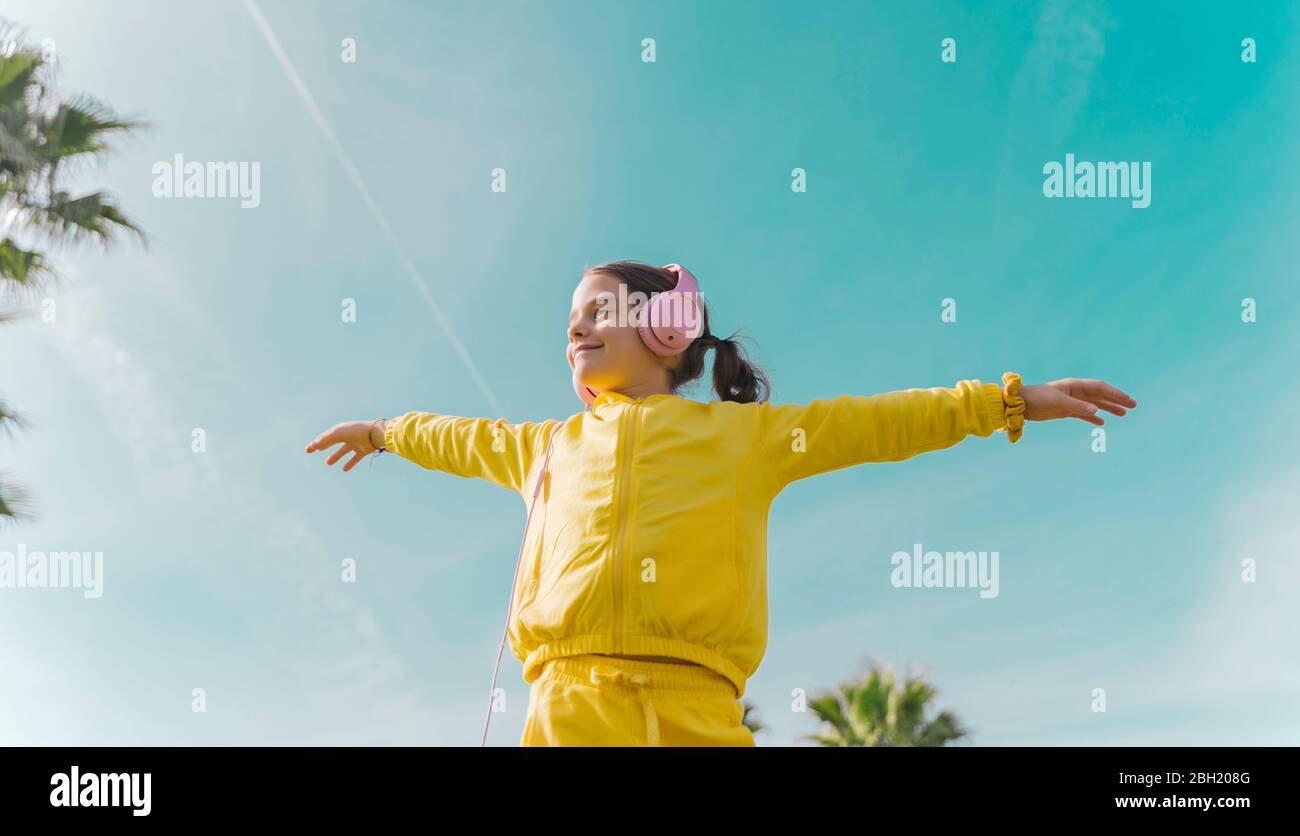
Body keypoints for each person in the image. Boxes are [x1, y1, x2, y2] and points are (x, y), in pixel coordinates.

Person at [305, 260, 1137, 746]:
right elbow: (457, 435)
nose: (575, 330)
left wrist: (1008, 401)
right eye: (569, 321)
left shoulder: (747, 438)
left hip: (702, 709)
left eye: (598, 312)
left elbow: (881, 422)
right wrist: (385, 431)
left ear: (667, 328)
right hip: (569, 704)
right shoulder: (545, 447)